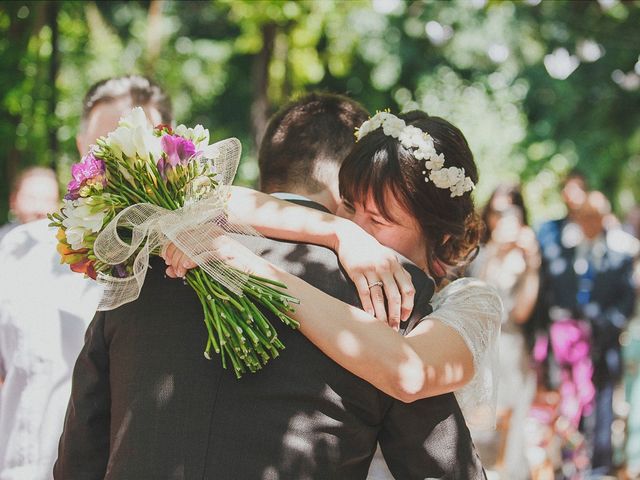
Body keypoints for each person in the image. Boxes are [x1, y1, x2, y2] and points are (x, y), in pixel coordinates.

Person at [56, 95, 488, 479]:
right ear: (342, 192)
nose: (360, 226)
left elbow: (80, 454)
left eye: (378, 218)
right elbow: (443, 467)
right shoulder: (387, 293)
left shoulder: (150, 261)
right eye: (357, 211)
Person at [166, 112, 502, 429]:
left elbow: (411, 373)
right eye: (350, 206)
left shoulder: (470, 301)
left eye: (379, 220)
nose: (357, 224)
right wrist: (338, 231)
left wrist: (260, 273)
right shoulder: (342, 243)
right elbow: (204, 201)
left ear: (439, 236)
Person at [0, 75, 171, 480]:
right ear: (81, 147)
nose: (118, 165)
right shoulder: (18, 252)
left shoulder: (184, 261)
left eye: (134, 147)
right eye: (104, 148)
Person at [538, 190, 636, 476]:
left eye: (595, 216)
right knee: (569, 404)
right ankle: (569, 464)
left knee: (603, 406)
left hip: (603, 346)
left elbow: (625, 304)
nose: (589, 222)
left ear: (605, 218)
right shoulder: (562, 258)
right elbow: (552, 298)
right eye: (584, 216)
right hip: (568, 350)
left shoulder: (619, 259)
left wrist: (601, 327)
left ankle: (599, 466)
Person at [466, 183, 539, 479]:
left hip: (511, 346)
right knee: (478, 422)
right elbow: (473, 295)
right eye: (497, 213)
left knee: (514, 421)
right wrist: (495, 250)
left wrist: (533, 265)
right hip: (480, 344)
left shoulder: (526, 256)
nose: (503, 221)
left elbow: (522, 313)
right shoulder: (479, 252)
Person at [0, 167, 59, 242]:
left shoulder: (69, 245)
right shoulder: (3, 243)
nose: (40, 209)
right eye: (31, 199)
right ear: (13, 201)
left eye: (48, 200)